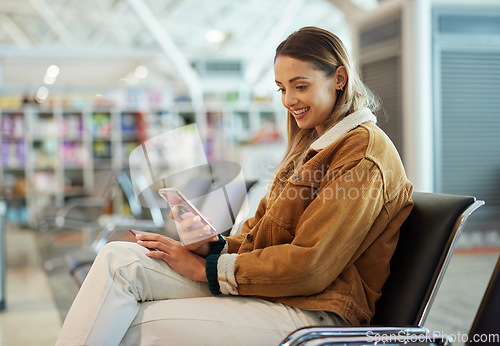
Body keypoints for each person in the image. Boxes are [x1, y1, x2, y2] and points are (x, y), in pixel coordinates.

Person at [56, 26, 413, 345]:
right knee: (118, 259)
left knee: (135, 326)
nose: (289, 101)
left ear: (339, 78)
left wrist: (210, 270)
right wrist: (215, 247)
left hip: (315, 310)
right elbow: (264, 238)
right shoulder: (311, 147)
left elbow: (311, 266)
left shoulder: (362, 153)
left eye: (300, 86)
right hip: (277, 292)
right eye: (282, 89)